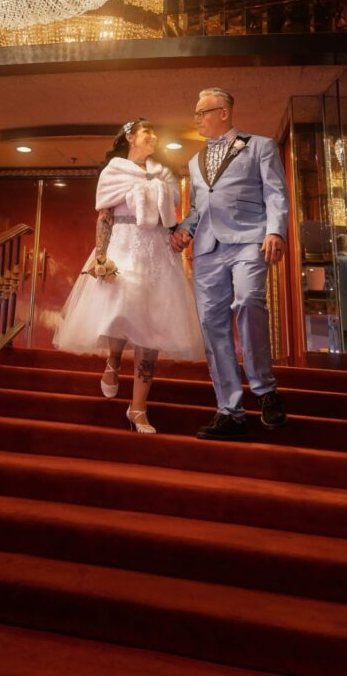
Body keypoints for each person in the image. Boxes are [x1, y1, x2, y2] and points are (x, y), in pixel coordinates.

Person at [55, 118, 204, 434]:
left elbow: (170, 219)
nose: (153, 136)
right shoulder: (113, 171)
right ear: (131, 136)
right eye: (148, 131)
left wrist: (179, 236)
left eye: (155, 132)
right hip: (123, 245)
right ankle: (113, 361)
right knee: (120, 310)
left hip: (158, 251)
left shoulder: (164, 174)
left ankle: (138, 408)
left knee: (153, 328)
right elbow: (105, 217)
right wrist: (100, 254)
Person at [171, 87, 289, 439]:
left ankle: (265, 391)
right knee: (211, 324)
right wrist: (183, 231)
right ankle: (229, 410)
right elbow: (196, 209)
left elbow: (275, 192)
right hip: (207, 249)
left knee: (250, 301)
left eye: (202, 112)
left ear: (223, 112)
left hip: (249, 240)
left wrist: (276, 231)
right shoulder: (194, 162)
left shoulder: (260, 146)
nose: (197, 119)